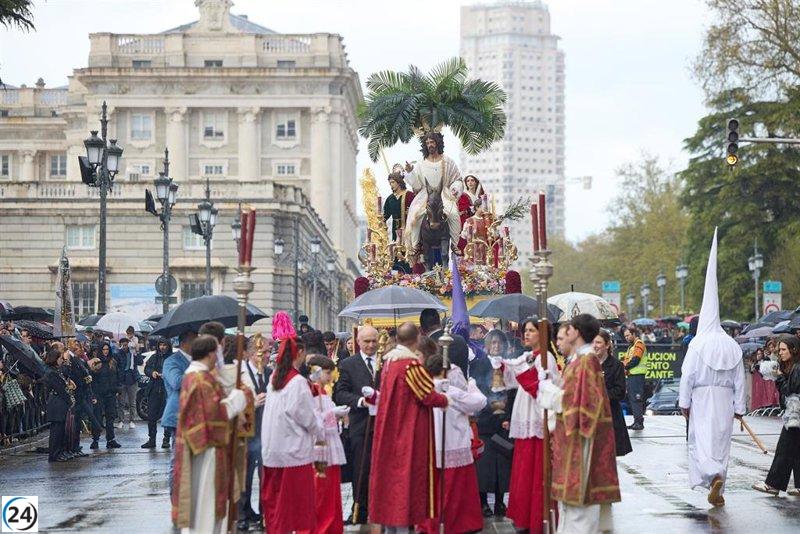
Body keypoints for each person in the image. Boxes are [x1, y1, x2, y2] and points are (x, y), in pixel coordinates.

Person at [678, 229, 746, 507]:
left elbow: (687, 376)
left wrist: (683, 403)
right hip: (725, 399)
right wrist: (740, 406)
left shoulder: (697, 344)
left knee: (701, 440)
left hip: (702, 397)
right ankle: (719, 478)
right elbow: (740, 380)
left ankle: (711, 475)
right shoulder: (731, 344)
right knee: (721, 442)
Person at [538, 314, 621, 533]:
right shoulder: (579, 361)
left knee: (581, 510)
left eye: (569, 329)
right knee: (571, 509)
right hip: (572, 439)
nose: (564, 334)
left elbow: (584, 405)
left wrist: (549, 392)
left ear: (576, 332)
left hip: (583, 444)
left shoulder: (587, 361)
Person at [369, 322, 449, 532]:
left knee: (390, 481)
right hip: (407, 431)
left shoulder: (389, 363)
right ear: (416, 341)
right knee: (405, 481)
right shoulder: (409, 366)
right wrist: (445, 399)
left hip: (390, 429)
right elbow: (427, 394)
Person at [171, 335, 250, 533]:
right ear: (210, 353)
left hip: (204, 446)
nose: (219, 356)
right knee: (206, 505)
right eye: (217, 351)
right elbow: (213, 414)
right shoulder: (200, 379)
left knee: (206, 504)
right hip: (207, 449)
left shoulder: (197, 375)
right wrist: (236, 400)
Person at [490, 318, 559, 532]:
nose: (526, 334)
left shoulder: (546, 358)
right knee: (524, 472)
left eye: (531, 330)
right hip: (525, 418)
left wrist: (525, 375)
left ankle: (538, 518)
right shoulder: (530, 356)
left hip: (537, 420)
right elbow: (511, 378)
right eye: (525, 331)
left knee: (536, 472)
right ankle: (525, 517)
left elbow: (545, 388)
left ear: (543, 334)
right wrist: (501, 365)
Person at [419, 339, 487, 534]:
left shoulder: (422, 389)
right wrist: (472, 385)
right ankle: (457, 523)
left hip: (431, 446)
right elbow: (480, 402)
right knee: (454, 491)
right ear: (446, 371)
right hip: (454, 443)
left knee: (434, 491)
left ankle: (430, 523)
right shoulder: (452, 391)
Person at [260, 336, 321, 533]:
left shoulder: (274, 378)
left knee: (277, 504)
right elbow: (306, 416)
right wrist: (320, 431)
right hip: (293, 453)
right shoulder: (297, 382)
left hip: (272, 451)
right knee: (298, 506)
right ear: (300, 353)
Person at [332, 325, 380, 524]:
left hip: (383, 425)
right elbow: (339, 392)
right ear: (358, 342)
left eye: (373, 341)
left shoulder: (385, 362)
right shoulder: (348, 364)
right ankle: (359, 508)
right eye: (366, 341)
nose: (370, 345)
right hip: (360, 424)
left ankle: (381, 508)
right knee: (361, 468)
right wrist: (361, 401)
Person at [307, 355, 350, 534]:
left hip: (330, 442)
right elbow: (312, 417)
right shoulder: (312, 391)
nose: (330, 377)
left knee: (331, 490)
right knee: (321, 490)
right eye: (326, 373)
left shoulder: (323, 390)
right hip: (319, 445)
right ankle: (322, 527)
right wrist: (333, 412)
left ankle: (332, 526)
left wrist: (336, 413)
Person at [752, 335, 800, 496]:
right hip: (794, 414)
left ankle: (773, 485)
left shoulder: (797, 368)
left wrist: (779, 377)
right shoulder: (793, 367)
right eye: (779, 350)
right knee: (796, 450)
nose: (780, 353)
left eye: (783, 349)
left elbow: (790, 391)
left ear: (794, 350)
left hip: (796, 415)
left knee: (784, 449)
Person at [403, 132, 464, 257]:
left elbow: (457, 179)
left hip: (444, 195)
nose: (430, 145)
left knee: (453, 214)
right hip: (425, 195)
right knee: (415, 216)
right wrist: (410, 172)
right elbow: (417, 185)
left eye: (432, 142)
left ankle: (454, 244)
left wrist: (455, 189)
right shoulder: (421, 163)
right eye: (427, 143)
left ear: (437, 143)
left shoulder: (448, 162)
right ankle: (416, 245)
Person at [474, 330, 512, 517]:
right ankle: (483, 503)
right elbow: (476, 389)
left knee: (502, 466)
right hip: (486, 422)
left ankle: (499, 502)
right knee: (485, 466)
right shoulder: (479, 365)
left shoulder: (509, 365)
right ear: (487, 345)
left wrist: (508, 415)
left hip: (503, 423)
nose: (496, 346)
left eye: (499, 343)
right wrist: (492, 404)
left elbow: (513, 391)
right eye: (493, 343)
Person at [238, 335, 269, 532]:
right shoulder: (239, 374)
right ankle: (242, 511)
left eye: (267, 351)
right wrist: (253, 403)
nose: (267, 355)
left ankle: (264, 510)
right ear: (251, 353)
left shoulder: (270, 372)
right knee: (244, 473)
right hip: (246, 428)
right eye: (263, 351)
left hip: (266, 429)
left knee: (265, 473)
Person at [593, 330, 633, 456]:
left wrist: (600, 395)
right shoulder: (587, 364)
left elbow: (620, 392)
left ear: (607, 344)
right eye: (593, 342)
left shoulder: (616, 365)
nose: (595, 345)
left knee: (608, 458)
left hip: (610, 416)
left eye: (598, 342)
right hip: (591, 416)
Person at [162, 331, 197, 446]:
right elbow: (176, 382)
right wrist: (197, 369)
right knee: (179, 458)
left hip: (196, 414)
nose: (197, 344)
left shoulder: (196, 359)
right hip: (179, 413)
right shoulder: (171, 361)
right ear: (183, 344)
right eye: (194, 341)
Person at [44, 345, 74, 462]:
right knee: (56, 431)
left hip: (60, 404)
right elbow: (60, 389)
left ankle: (60, 452)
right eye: (60, 358)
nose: (62, 360)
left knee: (61, 430)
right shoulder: (52, 373)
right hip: (56, 404)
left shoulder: (57, 371)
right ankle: (54, 454)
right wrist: (69, 399)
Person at [420, 308, 469, 378]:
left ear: (422, 329)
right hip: (461, 385)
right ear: (440, 323)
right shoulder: (460, 340)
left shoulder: (427, 346)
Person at [90, 342, 122, 449]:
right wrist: (93, 394)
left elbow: (117, 376)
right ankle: (95, 439)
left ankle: (111, 439)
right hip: (99, 393)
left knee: (110, 417)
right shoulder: (97, 362)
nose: (105, 351)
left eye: (107, 349)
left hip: (111, 393)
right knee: (97, 417)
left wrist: (117, 389)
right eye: (103, 349)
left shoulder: (113, 362)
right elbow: (92, 379)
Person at [142, 340, 172, 449]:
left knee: (167, 416)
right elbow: (146, 369)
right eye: (161, 345)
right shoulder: (154, 357)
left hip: (167, 389)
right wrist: (152, 373)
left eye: (164, 345)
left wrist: (168, 374)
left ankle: (166, 439)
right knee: (151, 416)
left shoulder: (172, 358)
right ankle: (152, 440)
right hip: (154, 388)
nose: (162, 347)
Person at [621, 324, 649, 430]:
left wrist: (625, 367)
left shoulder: (639, 344)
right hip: (632, 375)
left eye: (628, 335)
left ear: (634, 334)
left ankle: (639, 423)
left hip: (637, 376)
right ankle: (636, 421)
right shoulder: (631, 347)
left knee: (636, 399)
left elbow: (635, 360)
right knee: (633, 399)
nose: (626, 338)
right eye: (625, 336)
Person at [114, 337, 141, 430]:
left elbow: (140, 362)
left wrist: (136, 352)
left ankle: (132, 421)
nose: (124, 347)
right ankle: (120, 420)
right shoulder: (118, 354)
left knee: (132, 402)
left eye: (126, 345)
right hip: (122, 380)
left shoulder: (133, 353)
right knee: (120, 402)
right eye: (122, 345)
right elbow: (115, 365)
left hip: (132, 380)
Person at [383, 167, 415, 242]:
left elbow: (417, 210)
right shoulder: (390, 199)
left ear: (399, 182)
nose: (391, 185)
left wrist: (410, 212)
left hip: (408, 229)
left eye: (393, 182)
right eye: (390, 183)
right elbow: (385, 215)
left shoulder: (410, 195)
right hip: (395, 230)